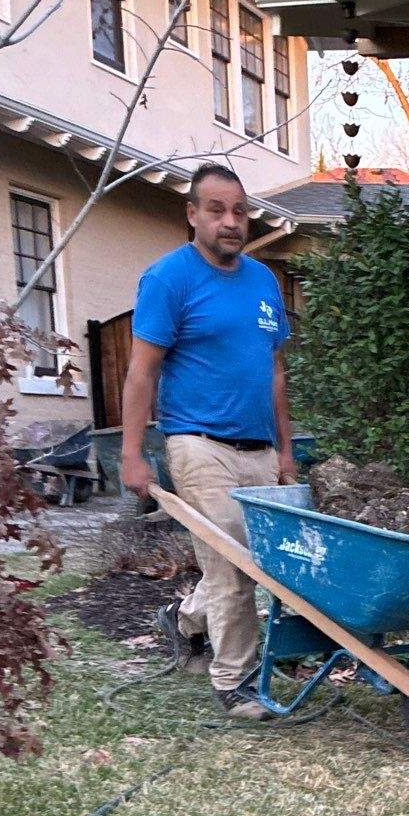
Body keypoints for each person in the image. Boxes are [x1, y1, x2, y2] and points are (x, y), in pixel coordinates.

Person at [120, 163, 297, 719]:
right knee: (232, 564)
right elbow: (141, 373)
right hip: (198, 445)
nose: (230, 221)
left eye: (239, 211)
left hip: (260, 449)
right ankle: (234, 682)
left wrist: (287, 451)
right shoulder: (168, 279)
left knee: (250, 562)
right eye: (216, 210)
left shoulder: (263, 280)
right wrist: (131, 454)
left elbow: (274, 372)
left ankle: (185, 619)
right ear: (192, 214)